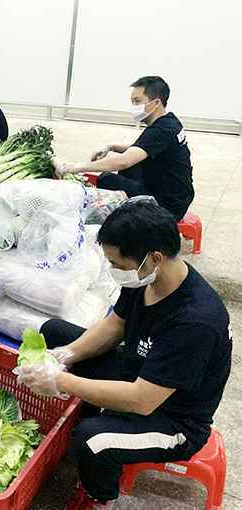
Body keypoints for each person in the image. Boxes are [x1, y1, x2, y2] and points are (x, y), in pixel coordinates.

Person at [16, 201, 231, 510]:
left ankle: (100, 498)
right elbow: (115, 325)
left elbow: (142, 400)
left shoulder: (195, 322)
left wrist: (61, 381)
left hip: (173, 418)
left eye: (117, 263)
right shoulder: (148, 277)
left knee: (91, 440)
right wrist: (66, 355)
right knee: (55, 332)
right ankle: (91, 413)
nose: (113, 270)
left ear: (154, 258)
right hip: (140, 371)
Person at [53, 76, 194, 220]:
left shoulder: (161, 129)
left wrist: (77, 167)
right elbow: (142, 147)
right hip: (177, 194)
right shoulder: (169, 121)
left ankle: (124, 212)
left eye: (137, 101)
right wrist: (111, 147)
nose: (134, 107)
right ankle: (126, 202)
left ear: (156, 102)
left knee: (106, 179)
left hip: (168, 205)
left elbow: (124, 161)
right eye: (132, 102)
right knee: (131, 167)